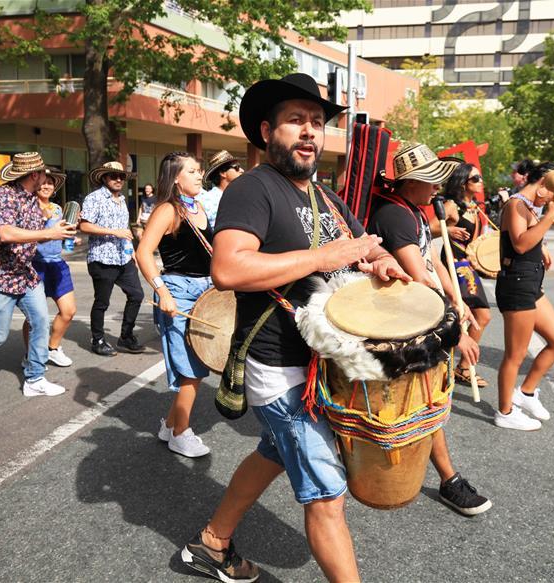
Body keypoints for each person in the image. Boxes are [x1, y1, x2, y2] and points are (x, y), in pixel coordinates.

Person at [180, 73, 409, 583]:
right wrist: (323, 256)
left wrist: (381, 261)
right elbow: (229, 269)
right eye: (295, 121)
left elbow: (363, 243)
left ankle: (211, 543)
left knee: (273, 454)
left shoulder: (323, 196)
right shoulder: (252, 189)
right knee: (327, 493)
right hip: (277, 365)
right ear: (267, 131)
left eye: (316, 122)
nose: (309, 132)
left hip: (322, 362)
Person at [366, 142, 492, 516]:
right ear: (411, 182)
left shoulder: (415, 213)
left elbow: (434, 261)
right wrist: (459, 330)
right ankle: (449, 479)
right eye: (431, 181)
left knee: (424, 400)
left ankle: (445, 476)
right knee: (423, 399)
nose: (438, 188)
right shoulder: (394, 215)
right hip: (403, 323)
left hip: (420, 317)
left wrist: (459, 299)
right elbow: (417, 275)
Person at [0, 152, 75, 396]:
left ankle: (35, 379)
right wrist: (50, 234)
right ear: (34, 175)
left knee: (40, 322)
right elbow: (6, 233)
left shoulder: (31, 200)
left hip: (24, 274)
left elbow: (33, 238)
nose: (46, 180)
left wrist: (58, 233)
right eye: (43, 175)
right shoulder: (2, 196)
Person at [136, 152, 213, 458]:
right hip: (178, 290)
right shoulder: (167, 210)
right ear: (176, 177)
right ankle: (180, 433)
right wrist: (162, 292)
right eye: (192, 171)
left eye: (199, 170)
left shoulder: (200, 206)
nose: (199, 175)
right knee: (191, 370)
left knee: (199, 362)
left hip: (205, 291)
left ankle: (169, 425)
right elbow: (144, 253)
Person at [494, 162, 554, 431]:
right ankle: (505, 411)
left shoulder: (527, 207)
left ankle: (525, 393)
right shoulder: (516, 204)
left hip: (530, 284)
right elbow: (521, 243)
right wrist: (550, 218)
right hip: (516, 284)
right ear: (543, 185)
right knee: (516, 355)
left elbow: (531, 237)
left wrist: (544, 244)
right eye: (553, 191)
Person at [80, 161, 145, 356]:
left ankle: (126, 336)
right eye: (113, 176)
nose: (118, 179)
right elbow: (84, 226)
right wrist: (113, 232)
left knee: (137, 295)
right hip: (102, 258)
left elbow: (124, 229)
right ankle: (98, 340)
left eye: (122, 177)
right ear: (104, 177)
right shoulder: (95, 198)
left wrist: (131, 251)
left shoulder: (122, 199)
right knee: (102, 302)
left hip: (123, 258)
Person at [441, 163, 492, 388]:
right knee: (456, 318)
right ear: (463, 183)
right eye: (476, 178)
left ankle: (462, 367)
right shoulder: (451, 206)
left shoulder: (476, 208)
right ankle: (445, 367)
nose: (481, 181)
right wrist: (448, 230)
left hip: (467, 267)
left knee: (482, 317)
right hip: (451, 266)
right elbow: (428, 227)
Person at [21, 168, 76, 367]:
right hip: (34, 265)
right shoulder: (27, 206)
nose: (46, 186)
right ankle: (30, 355)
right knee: (34, 317)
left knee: (68, 311)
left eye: (50, 183)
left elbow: (61, 234)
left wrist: (71, 236)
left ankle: (52, 348)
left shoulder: (57, 208)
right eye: (43, 182)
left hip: (57, 264)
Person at [197, 150, 243, 229]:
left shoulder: (240, 197)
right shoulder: (206, 200)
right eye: (236, 167)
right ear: (222, 173)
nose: (242, 170)